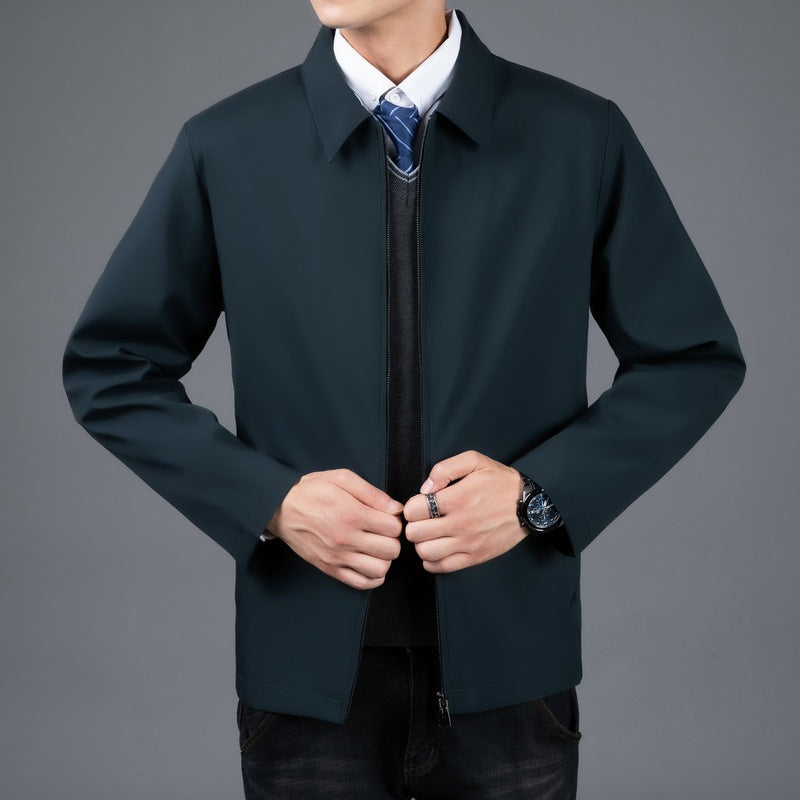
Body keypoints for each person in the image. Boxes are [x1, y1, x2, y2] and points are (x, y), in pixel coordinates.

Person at [61, 2, 746, 798]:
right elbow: (110, 366)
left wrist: (534, 497)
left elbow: (691, 358)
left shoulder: (579, 136)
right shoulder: (227, 144)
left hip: (511, 670)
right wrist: (271, 501)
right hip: (307, 677)